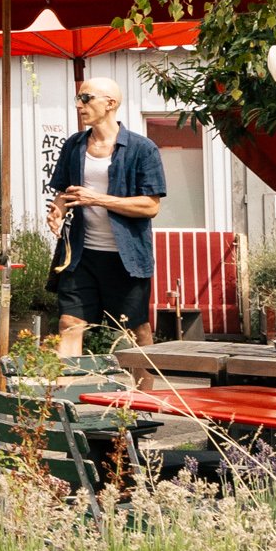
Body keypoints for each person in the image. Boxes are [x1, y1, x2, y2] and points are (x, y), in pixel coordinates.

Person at [46, 82, 165, 356]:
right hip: (80, 255)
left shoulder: (142, 149)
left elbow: (150, 206)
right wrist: (58, 210)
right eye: (78, 98)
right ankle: (65, 395)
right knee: (69, 323)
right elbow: (66, 192)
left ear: (110, 103)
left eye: (85, 98)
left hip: (126, 259)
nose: (79, 105)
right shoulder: (74, 145)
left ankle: (148, 396)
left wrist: (97, 199)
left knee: (136, 331)